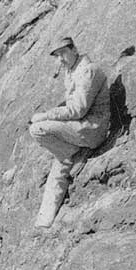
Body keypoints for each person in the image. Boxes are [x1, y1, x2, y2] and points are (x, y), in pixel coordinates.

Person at [29, 37, 110, 227]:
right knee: (57, 172)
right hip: (80, 129)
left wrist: (46, 116)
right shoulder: (72, 71)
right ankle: (44, 222)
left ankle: (75, 153)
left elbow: (77, 110)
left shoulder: (88, 70)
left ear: (74, 49)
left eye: (63, 53)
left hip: (92, 129)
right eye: (57, 56)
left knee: (38, 129)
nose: (60, 60)